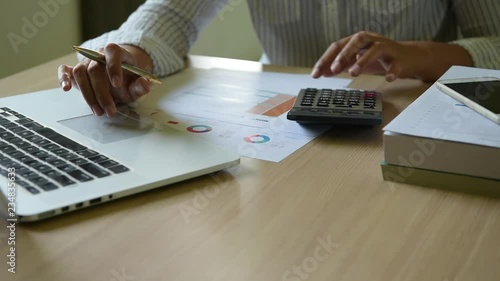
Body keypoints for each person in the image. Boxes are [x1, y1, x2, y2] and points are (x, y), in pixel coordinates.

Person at [58, 0, 500, 117]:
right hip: (282, 128)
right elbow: (172, 11)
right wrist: (132, 54)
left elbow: (495, 41)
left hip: (412, 123)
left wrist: (420, 54)